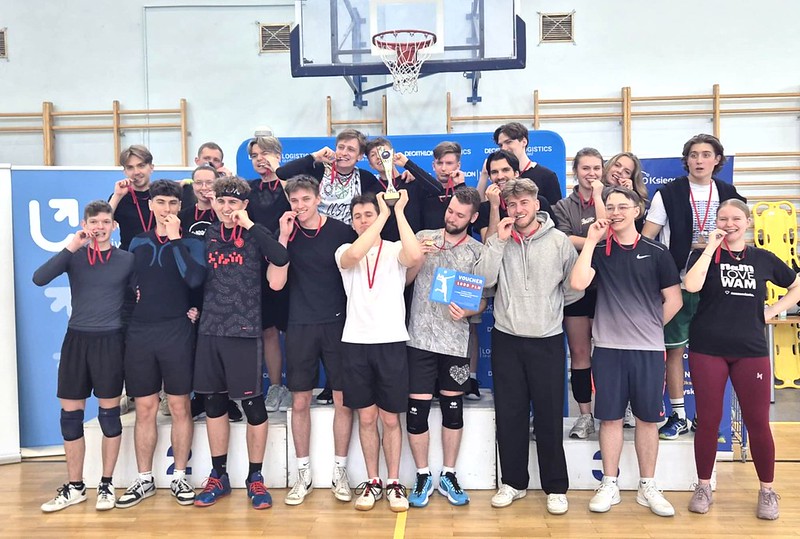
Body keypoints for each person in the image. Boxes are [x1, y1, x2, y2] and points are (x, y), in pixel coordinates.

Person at [683, 199, 800, 520]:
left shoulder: (762, 258)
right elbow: (690, 286)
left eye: (736, 218)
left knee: (758, 423)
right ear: (715, 222)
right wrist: (710, 248)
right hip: (708, 349)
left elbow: (795, 286)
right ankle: (704, 486)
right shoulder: (702, 255)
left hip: (751, 350)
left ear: (747, 223)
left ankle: (767, 490)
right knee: (708, 422)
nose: (729, 223)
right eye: (723, 218)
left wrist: (771, 311)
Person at [571, 186, 683, 517]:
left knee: (648, 419)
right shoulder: (601, 251)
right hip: (607, 349)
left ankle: (647, 484)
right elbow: (578, 283)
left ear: (637, 211)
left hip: (648, 351)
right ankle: (609, 483)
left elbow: (674, 301)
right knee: (611, 418)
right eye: (610, 206)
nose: (616, 211)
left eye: (623, 206)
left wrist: (647, 327)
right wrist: (590, 240)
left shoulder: (658, 252)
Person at [474, 178, 581, 514]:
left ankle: (555, 487)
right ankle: (514, 483)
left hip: (548, 339)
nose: (518, 210)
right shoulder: (497, 240)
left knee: (549, 416)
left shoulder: (560, 241)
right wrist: (497, 244)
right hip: (507, 338)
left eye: (523, 203)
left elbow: (574, 287)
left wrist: (546, 308)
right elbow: (484, 282)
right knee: (511, 415)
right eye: (512, 205)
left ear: (536, 204)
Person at [192, 176, 289, 510]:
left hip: (245, 330)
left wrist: (250, 224)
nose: (227, 208)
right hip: (209, 330)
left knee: (253, 408)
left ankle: (255, 477)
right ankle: (219, 475)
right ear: (214, 203)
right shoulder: (204, 234)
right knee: (214, 406)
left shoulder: (256, 233)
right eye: (222, 201)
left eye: (233, 202)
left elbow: (280, 257)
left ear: (244, 205)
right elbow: (189, 275)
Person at [642, 134, 746, 440]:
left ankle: (707, 417)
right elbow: (648, 238)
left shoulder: (729, 193)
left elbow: (739, 236)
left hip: (715, 283)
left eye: (706, 154)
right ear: (686, 159)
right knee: (674, 351)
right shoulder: (668, 193)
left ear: (717, 160)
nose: (699, 160)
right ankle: (679, 415)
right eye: (694, 155)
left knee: (712, 352)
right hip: (676, 283)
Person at [35, 201, 134, 513]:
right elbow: (40, 278)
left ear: (113, 226)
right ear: (85, 224)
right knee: (70, 417)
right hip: (77, 339)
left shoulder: (127, 259)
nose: (100, 227)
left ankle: (106, 483)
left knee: (108, 415)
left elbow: (136, 301)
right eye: (95, 222)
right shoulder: (74, 257)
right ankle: (76, 486)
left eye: (106, 221)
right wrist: (70, 246)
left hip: (110, 341)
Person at [267, 175, 358, 506]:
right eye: (294, 201)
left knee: (342, 400)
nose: (300, 206)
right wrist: (283, 237)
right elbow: (276, 284)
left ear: (318, 198)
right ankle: (302, 472)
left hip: (337, 325)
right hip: (300, 325)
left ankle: (340, 471)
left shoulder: (341, 232)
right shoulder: (286, 236)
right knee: (300, 402)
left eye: (306, 199)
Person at [115, 180, 205, 509]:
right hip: (140, 332)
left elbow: (195, 280)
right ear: (150, 205)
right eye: (161, 203)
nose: (166, 209)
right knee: (145, 409)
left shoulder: (193, 242)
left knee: (180, 407)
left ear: (180, 207)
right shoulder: (137, 241)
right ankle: (144, 479)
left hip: (177, 331)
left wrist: (178, 239)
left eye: (172, 203)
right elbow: (125, 284)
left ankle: (179, 475)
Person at [335, 191, 423, 512]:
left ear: (377, 215)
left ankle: (394, 482)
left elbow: (415, 257)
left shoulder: (395, 249)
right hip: (356, 343)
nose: (362, 220)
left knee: (389, 418)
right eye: (357, 216)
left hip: (391, 342)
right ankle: (373, 481)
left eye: (368, 214)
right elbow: (354, 257)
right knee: (367, 417)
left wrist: (397, 211)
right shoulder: (345, 249)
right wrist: (382, 216)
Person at [404, 187, 486, 508]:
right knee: (417, 411)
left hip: (455, 341)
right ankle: (423, 475)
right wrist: (417, 257)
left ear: (473, 218)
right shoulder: (424, 237)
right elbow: (407, 280)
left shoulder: (477, 251)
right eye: (450, 211)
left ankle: (449, 474)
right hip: (419, 339)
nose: (452, 218)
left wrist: (469, 310)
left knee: (453, 410)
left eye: (460, 215)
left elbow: (481, 300)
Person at [553, 148, 606, 439]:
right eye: (585, 168)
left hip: (609, 286)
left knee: (610, 351)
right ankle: (585, 415)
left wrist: (599, 198)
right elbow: (564, 239)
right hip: (576, 286)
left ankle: (614, 409)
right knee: (580, 353)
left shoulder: (610, 198)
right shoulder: (563, 205)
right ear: (576, 171)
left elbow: (608, 230)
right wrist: (593, 239)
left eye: (596, 168)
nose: (591, 174)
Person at [246, 136, 292, 414]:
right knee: (269, 330)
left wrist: (279, 171)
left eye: (266, 153)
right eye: (254, 155)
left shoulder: (290, 184)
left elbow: (297, 203)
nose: (259, 159)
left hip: (291, 260)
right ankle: (275, 386)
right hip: (258, 265)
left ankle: (298, 387)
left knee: (295, 329)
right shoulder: (248, 189)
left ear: (279, 155)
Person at [276, 128, 380, 225]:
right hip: (318, 233)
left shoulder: (366, 178)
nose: (344, 153)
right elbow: (282, 173)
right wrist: (314, 156)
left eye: (351, 149)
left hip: (350, 237)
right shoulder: (319, 169)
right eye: (341, 147)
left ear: (360, 156)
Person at [477, 122, 562, 205]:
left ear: (524, 142)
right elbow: (480, 207)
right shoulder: (499, 176)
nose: (504, 148)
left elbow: (554, 213)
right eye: (500, 145)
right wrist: (484, 174)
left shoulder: (547, 176)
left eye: (508, 142)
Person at [109, 145, 155, 250]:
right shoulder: (120, 197)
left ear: (151, 167)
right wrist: (117, 196)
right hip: (129, 258)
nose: (136, 172)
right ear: (124, 171)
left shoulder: (162, 194)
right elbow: (101, 224)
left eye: (141, 166)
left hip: (159, 257)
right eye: (130, 167)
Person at [419, 141, 469, 230]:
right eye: (439, 163)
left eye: (449, 163)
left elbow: (468, 223)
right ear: (433, 165)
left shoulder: (467, 193)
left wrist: (461, 186)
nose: (443, 168)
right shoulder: (422, 191)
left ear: (458, 166)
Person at [603, 152, 648, 234]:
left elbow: (636, 232)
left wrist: (630, 195)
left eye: (627, 172)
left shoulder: (637, 202)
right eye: (617, 165)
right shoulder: (592, 190)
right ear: (609, 166)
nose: (619, 171)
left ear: (631, 179)